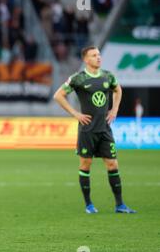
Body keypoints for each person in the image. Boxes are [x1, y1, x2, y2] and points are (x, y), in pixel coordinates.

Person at [53, 46, 136, 214]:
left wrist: (114, 110)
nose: (98, 57)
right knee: (86, 164)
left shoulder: (108, 76)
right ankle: (89, 205)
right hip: (87, 130)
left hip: (105, 129)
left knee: (112, 164)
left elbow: (118, 90)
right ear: (86, 59)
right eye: (94, 55)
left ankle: (120, 205)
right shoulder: (78, 78)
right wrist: (75, 113)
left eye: (99, 55)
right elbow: (58, 95)